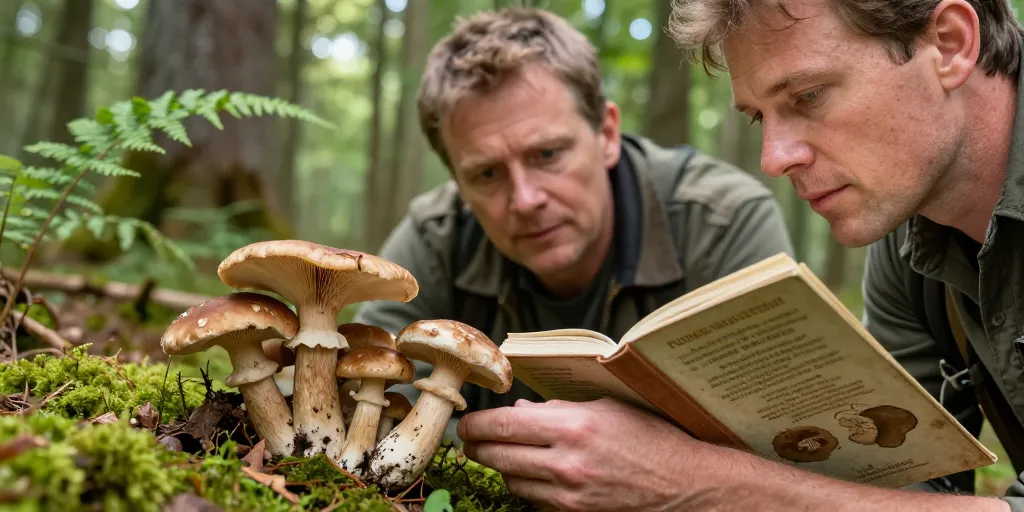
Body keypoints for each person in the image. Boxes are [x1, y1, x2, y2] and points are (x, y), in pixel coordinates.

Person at [451, 0, 1024, 510]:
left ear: (948, 44)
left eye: (808, 96)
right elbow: (905, 481)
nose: (773, 158)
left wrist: (703, 481)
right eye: (758, 117)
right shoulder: (908, 241)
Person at [352, 7, 792, 438]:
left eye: (547, 155)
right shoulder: (436, 238)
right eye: (487, 174)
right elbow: (359, 403)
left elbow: (783, 436)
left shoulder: (720, 224)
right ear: (458, 184)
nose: (525, 199)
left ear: (607, 135)